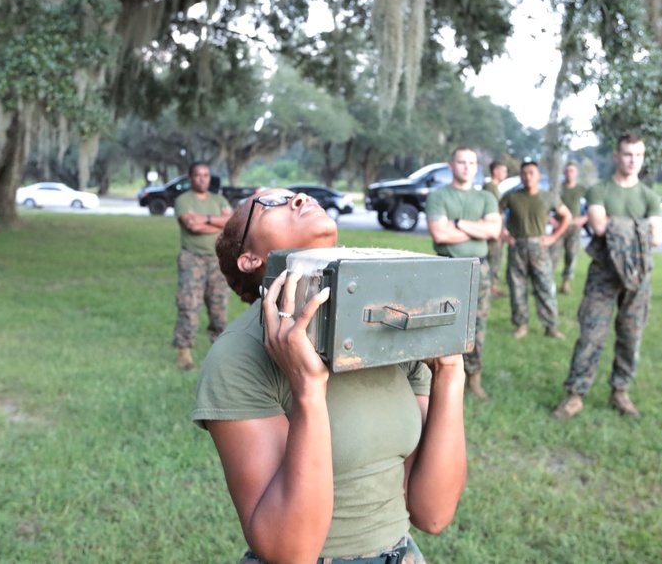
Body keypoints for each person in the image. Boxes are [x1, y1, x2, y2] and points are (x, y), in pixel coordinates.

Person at [193, 189, 467, 563]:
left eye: (297, 194)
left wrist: (451, 372)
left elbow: (432, 513)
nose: (300, 198)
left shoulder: (389, 320)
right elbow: (290, 551)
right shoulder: (237, 357)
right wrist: (308, 389)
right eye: (271, 202)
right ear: (250, 258)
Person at [551, 134, 662, 420]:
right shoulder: (599, 189)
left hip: (639, 274)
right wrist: (640, 227)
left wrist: (618, 225)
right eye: (627, 154)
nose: (633, 161)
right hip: (603, 272)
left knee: (631, 334)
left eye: (638, 155)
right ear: (616, 156)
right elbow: (599, 226)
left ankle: (620, 391)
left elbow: (658, 238)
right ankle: (575, 394)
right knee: (591, 333)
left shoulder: (649, 196)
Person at [425, 147, 502, 401]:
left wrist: (457, 224)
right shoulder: (438, 196)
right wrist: (476, 228)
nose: (467, 167)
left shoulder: (486, 199)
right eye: (461, 162)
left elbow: (494, 231)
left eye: (471, 163)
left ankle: (474, 377)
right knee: (443, 322)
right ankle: (438, 377)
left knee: (477, 323)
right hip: (448, 266)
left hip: (478, 267)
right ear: (451, 165)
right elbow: (440, 234)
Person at [498, 158, 571, 340]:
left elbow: (566, 216)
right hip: (518, 247)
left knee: (545, 286)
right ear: (520, 176)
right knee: (517, 287)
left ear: (538, 176)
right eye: (524, 173)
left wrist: (553, 237)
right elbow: (495, 215)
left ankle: (551, 326)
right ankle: (521, 324)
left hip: (539, 246)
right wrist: (503, 233)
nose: (528, 177)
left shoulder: (547, 197)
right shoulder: (511, 196)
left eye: (531, 173)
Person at [173, 162, 233, 371]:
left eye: (206, 175)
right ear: (190, 178)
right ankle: (184, 352)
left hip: (218, 261)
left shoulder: (219, 199)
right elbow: (193, 226)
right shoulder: (183, 200)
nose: (202, 179)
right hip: (193, 260)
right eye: (197, 175)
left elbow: (232, 222)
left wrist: (205, 219)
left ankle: (219, 353)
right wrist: (218, 222)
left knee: (219, 309)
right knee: (189, 306)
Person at [550, 161, 588, 294]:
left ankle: (566, 283)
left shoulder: (581, 190)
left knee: (571, 256)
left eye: (572, 171)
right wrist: (552, 220)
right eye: (567, 171)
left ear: (576, 173)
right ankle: (548, 283)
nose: (569, 174)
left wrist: (584, 218)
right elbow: (545, 206)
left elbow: (593, 206)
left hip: (574, 228)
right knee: (553, 255)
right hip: (559, 227)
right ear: (563, 173)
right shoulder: (558, 189)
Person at [483, 160, 509, 298]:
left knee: (497, 257)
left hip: (498, 227)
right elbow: (494, 211)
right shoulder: (490, 187)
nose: (506, 173)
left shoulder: (495, 187)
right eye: (503, 170)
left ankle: (493, 286)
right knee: (493, 257)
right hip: (494, 229)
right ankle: (490, 287)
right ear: (495, 171)